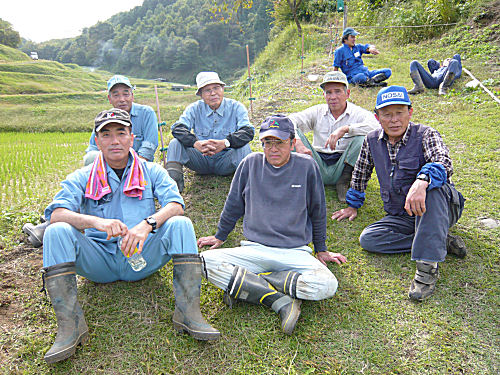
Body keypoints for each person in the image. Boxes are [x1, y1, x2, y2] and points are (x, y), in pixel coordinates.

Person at [40, 108, 219, 364]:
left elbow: (175, 204)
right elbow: (56, 213)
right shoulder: (83, 176)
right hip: (99, 262)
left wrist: (147, 225)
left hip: (141, 258)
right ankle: (71, 326)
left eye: (120, 133)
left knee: (180, 223)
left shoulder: (151, 170)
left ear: (131, 138)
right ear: (97, 140)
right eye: (106, 134)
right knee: (56, 231)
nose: (114, 141)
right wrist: (95, 222)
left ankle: (188, 312)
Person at [197, 114, 347, 335]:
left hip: (295, 252)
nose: (273, 149)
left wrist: (321, 249)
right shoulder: (250, 163)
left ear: (293, 143)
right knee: (203, 261)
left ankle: (248, 284)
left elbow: (318, 210)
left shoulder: (307, 167)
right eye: (268, 143)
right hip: (254, 249)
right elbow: (233, 204)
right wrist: (220, 236)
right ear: (262, 144)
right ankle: (280, 300)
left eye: (280, 142)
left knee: (327, 284)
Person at [331, 86, 467, 302]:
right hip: (402, 214)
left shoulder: (426, 134)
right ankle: (438, 238)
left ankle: (426, 270)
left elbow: (444, 162)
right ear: (377, 117)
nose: (393, 120)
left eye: (399, 113)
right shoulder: (371, 140)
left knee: (432, 188)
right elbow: (361, 171)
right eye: (387, 114)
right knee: (369, 240)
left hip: (439, 209)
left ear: (409, 113)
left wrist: (422, 181)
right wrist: (352, 204)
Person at [23, 75, 159, 248]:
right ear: (109, 99)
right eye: (116, 94)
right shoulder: (104, 120)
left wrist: (130, 165)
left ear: (132, 95)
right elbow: (92, 149)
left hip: (136, 170)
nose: (122, 99)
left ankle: (54, 222)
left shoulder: (146, 113)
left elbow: (149, 145)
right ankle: (62, 218)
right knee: (91, 161)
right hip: (107, 172)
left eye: (126, 93)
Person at [289, 71, 379, 202]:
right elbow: (289, 120)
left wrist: (346, 129)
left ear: (347, 94)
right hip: (317, 163)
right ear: (324, 95)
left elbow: (377, 127)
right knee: (290, 136)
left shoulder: (356, 113)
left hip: (342, 165)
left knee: (363, 138)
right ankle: (304, 181)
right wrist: (297, 142)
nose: (333, 97)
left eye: (338, 91)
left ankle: (344, 182)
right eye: (329, 92)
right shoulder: (317, 111)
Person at [166, 71, 254, 193]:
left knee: (244, 147)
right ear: (201, 94)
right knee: (175, 143)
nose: (213, 93)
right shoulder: (194, 108)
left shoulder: (236, 107)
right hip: (201, 160)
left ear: (223, 89)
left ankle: (249, 190)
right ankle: (173, 190)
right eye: (207, 90)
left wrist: (225, 143)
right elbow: (178, 128)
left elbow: (248, 131)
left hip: (226, 160)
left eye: (216, 88)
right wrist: (195, 143)